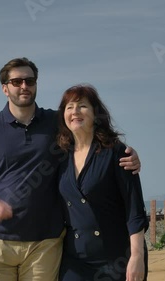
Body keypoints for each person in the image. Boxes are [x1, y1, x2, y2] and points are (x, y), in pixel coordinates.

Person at [0, 57, 142, 281]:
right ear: (5, 88)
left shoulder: (58, 123)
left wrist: (128, 154)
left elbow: (91, 137)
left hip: (45, 246)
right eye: (17, 82)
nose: (24, 86)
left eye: (30, 81)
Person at [56, 84, 148, 281]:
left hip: (115, 257)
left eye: (82, 106)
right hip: (75, 260)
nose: (75, 112)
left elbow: (134, 209)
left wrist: (137, 256)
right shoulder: (60, 157)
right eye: (69, 107)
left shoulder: (116, 152)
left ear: (95, 114)